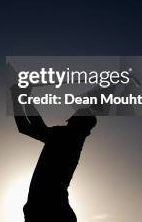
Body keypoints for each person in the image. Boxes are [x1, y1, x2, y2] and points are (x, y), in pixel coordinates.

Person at [11, 84, 97, 222]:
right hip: (53, 207)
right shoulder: (69, 137)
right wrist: (23, 97)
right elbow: (33, 125)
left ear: (75, 122)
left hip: (48, 208)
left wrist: (18, 96)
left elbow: (27, 126)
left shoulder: (66, 137)